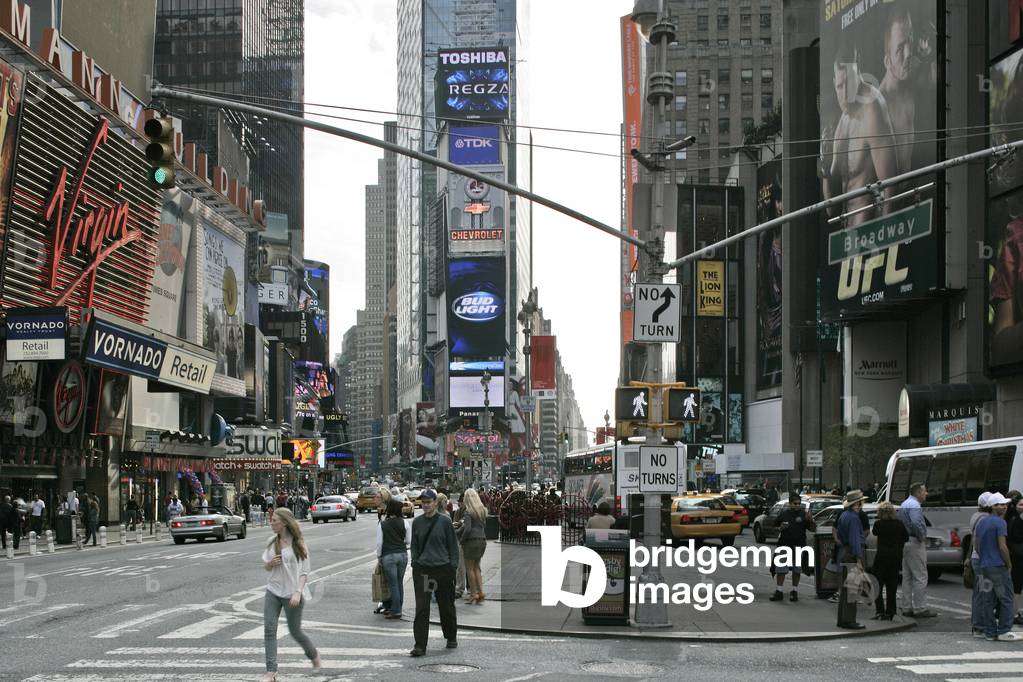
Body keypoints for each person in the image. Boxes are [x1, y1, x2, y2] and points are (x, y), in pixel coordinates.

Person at [820, 40, 898, 224]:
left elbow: (892, 186)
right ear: (834, 83)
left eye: (849, 83)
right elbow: (831, 208)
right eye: (839, 86)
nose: (844, 94)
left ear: (859, 72)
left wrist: (885, 239)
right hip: (849, 237)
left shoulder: (872, 110)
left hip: (871, 235)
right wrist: (824, 163)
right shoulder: (843, 122)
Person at [261, 507, 320, 680]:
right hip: (273, 590)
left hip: (292, 593)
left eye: (274, 521)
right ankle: (271, 671)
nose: (271, 523)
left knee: (295, 632)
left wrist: (298, 592)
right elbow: (266, 566)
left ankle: (314, 656)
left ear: (284, 523)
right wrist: (270, 563)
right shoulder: (272, 542)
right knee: (269, 629)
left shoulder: (298, 543)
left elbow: (304, 571)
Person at [409, 489, 459, 657]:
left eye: (429, 502)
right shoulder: (417, 522)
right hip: (423, 570)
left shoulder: (445, 521)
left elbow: (453, 546)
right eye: (423, 503)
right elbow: (414, 545)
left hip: (443, 569)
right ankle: (420, 645)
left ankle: (451, 636)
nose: (426, 505)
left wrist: (453, 567)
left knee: (446, 606)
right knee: (422, 608)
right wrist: (415, 562)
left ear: (435, 503)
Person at [975, 493, 1022, 641]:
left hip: (984, 565)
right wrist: (1009, 564)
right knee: (1006, 597)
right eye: (1001, 504)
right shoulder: (1000, 523)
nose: (1005, 507)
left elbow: (976, 545)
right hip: (997, 565)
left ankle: (989, 631)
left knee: (987, 598)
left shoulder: (981, 522)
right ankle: (1004, 630)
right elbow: (1002, 546)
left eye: (1005, 504)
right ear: (993, 507)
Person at [897, 482, 935, 618]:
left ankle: (907, 607)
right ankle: (920, 608)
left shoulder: (904, 504)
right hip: (914, 541)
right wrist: (921, 536)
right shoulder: (914, 505)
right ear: (918, 492)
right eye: (924, 491)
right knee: (920, 576)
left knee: (907, 576)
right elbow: (915, 522)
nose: (926, 493)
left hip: (905, 541)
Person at [770, 493, 815, 602]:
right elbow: (774, 528)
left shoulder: (804, 515)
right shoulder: (784, 513)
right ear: (790, 504)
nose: (797, 505)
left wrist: (810, 520)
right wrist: (780, 528)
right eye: (795, 503)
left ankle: (794, 591)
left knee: (797, 569)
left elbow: (813, 529)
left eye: (799, 503)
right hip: (784, 545)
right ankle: (779, 591)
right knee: (781, 569)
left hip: (799, 545)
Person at [835, 489, 867, 629]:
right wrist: (859, 559)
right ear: (857, 504)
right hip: (851, 554)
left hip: (844, 552)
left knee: (845, 589)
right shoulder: (854, 518)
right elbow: (855, 540)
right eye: (861, 503)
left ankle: (842, 619)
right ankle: (849, 620)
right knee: (852, 589)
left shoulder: (844, 515)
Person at [871, 501, 908, 621]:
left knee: (878, 584)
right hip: (896, 556)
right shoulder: (899, 524)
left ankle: (880, 611)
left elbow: (874, 533)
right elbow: (906, 537)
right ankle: (891, 611)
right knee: (892, 585)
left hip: (882, 556)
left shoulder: (878, 524)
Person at [376, 498, 411, 620]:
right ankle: (398, 608)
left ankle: (395, 611)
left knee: (393, 584)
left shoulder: (383, 524)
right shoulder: (405, 522)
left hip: (388, 555)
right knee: (399, 583)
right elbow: (409, 541)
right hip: (402, 554)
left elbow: (379, 543)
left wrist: (379, 557)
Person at [457, 489, 488, 605]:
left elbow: (468, 529)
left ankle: (473, 594)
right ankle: (481, 593)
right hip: (482, 541)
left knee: (469, 569)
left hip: (471, 542)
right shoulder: (483, 511)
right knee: (477, 568)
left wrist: (462, 539)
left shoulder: (468, 512)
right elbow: (482, 526)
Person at [1007, 494, 1023, 626]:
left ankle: (1015, 612)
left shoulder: (1014, 518)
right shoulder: (1015, 520)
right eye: (1021, 505)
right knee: (1016, 586)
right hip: (1018, 558)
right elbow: (1015, 539)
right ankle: (1014, 613)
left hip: (1016, 557)